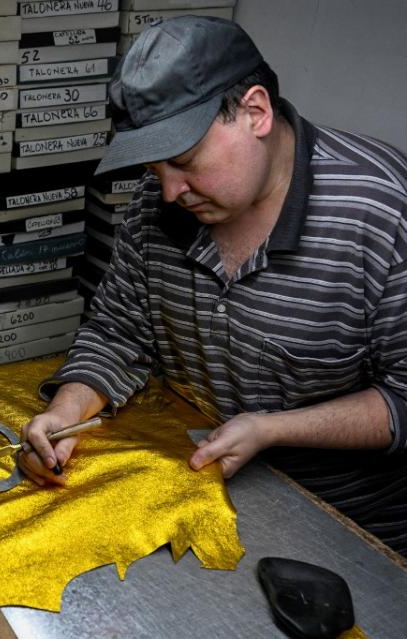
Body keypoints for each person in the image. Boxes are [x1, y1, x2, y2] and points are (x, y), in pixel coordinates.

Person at [21, 16, 407, 555]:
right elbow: (117, 333)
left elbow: (403, 398)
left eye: (184, 161)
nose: (171, 190)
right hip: (202, 495)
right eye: (156, 169)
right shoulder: (156, 205)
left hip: (349, 532)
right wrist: (66, 413)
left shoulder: (382, 211)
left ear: (255, 111)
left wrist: (273, 428)